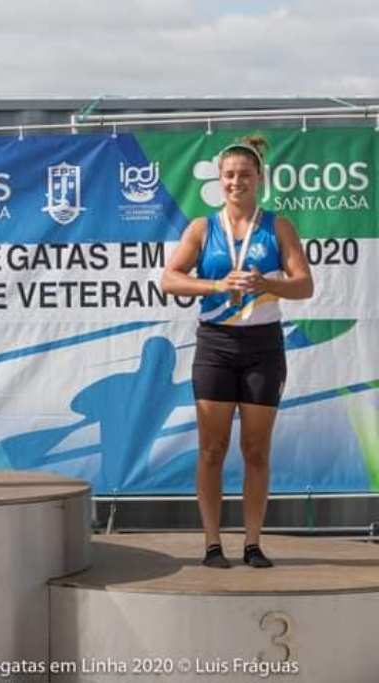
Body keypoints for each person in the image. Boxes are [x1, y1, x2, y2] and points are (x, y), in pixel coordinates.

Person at [162, 136, 313, 568]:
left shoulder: (278, 226)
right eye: (229, 175)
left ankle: (252, 543)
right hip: (215, 345)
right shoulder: (202, 229)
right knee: (212, 447)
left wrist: (268, 282)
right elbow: (170, 279)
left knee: (256, 450)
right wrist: (215, 285)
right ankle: (212, 543)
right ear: (219, 179)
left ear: (259, 179)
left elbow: (304, 285)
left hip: (263, 347)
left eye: (244, 175)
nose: (236, 182)